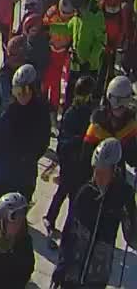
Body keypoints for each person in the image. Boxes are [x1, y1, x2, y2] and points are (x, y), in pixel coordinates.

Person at [53, 137, 137, 288]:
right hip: (73, 270)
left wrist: (129, 206)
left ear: (115, 170)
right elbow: (70, 229)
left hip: (97, 274)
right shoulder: (86, 192)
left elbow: (132, 235)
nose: (98, 178)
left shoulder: (122, 196)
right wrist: (61, 265)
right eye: (96, 172)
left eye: (103, 173)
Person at [0, 65, 50, 220]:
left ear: (33, 89)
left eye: (24, 91)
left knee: (16, 211)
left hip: (23, 172)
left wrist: (28, 156)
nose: (21, 96)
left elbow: (42, 142)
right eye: (17, 91)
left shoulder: (40, 113)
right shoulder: (10, 109)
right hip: (3, 168)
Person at [48, 73, 101, 237]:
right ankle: (51, 218)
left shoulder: (91, 114)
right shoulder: (72, 113)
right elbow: (65, 140)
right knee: (65, 192)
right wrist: (81, 140)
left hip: (82, 163)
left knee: (73, 197)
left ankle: (67, 227)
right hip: (72, 161)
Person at [84, 76, 137, 172]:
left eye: (123, 102)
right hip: (97, 174)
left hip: (118, 176)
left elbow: (132, 157)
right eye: (116, 101)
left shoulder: (130, 125)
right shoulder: (98, 125)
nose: (119, 107)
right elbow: (85, 157)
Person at [0, 192, 33, 289]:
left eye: (21, 218)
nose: (19, 223)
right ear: (1, 221)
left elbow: (28, 269)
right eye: (14, 219)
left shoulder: (25, 242)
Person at [68, 0, 107, 106]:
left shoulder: (95, 15)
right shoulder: (77, 16)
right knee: (71, 94)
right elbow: (68, 28)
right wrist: (50, 28)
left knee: (87, 96)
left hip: (89, 66)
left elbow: (101, 40)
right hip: (76, 64)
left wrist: (91, 59)